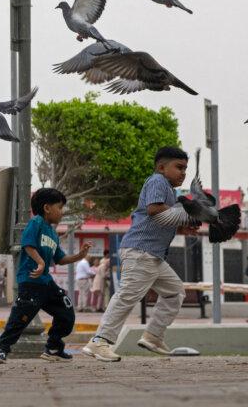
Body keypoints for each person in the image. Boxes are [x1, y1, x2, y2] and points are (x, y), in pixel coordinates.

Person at [83, 147, 194, 363]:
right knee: (127, 296)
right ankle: (99, 341)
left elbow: (161, 219)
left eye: (185, 169)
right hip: (141, 251)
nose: (183, 173)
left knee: (174, 292)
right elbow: (154, 209)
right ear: (161, 167)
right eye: (179, 167)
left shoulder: (170, 191)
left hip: (153, 256)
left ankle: (153, 336)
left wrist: (182, 228)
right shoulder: (157, 181)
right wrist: (187, 213)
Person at [0, 187, 90, 364]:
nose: (62, 212)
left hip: (46, 283)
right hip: (31, 281)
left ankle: (53, 348)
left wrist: (79, 256)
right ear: (47, 208)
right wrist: (41, 262)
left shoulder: (53, 233)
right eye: (60, 207)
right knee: (20, 319)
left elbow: (60, 259)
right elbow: (28, 244)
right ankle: (1, 349)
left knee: (66, 314)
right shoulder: (35, 222)